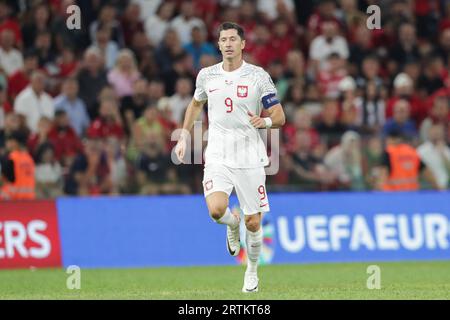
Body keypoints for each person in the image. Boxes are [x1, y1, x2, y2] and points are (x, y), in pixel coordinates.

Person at [175, 22, 285, 293]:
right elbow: (196, 104)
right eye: (223, 39)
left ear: (242, 44)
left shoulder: (258, 76)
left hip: (249, 157)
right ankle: (231, 223)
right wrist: (183, 136)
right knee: (216, 211)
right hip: (218, 155)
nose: (227, 44)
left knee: (254, 222)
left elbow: (280, 116)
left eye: (232, 39)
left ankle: (251, 271)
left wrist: (265, 123)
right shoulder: (206, 76)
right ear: (219, 44)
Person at [0, 130, 35, 200]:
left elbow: (6, 178)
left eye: (8, 141)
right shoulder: (29, 158)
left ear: (14, 143)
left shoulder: (10, 158)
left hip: (12, 198)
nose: (6, 144)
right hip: (29, 198)